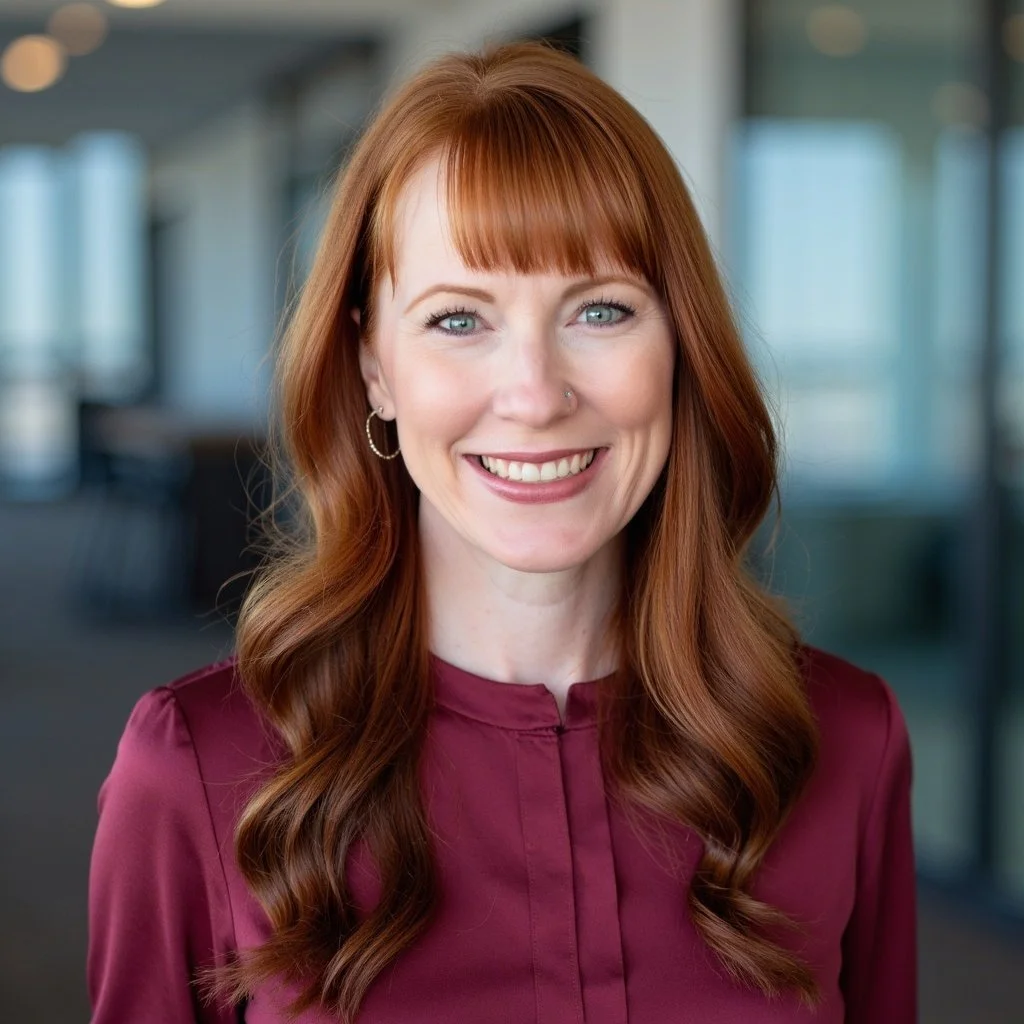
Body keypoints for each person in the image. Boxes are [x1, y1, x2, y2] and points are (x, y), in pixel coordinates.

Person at [87, 41, 916, 1023]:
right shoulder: (196, 763)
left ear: (679, 346)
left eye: (599, 309)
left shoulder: (844, 740)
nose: (533, 394)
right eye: (457, 320)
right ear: (372, 367)